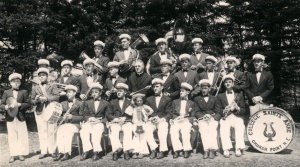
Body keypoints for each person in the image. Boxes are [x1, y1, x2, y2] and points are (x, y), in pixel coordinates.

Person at [0, 73, 31, 163]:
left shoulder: (24, 92)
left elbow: (28, 104)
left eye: (17, 81)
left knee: (22, 135)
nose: (16, 83)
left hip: (20, 116)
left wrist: (20, 104)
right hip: (10, 116)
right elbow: (1, 104)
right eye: (14, 82)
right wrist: (5, 107)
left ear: (20, 82)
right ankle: (13, 154)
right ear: (10, 83)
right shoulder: (6, 92)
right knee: (12, 136)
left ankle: (21, 153)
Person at [31, 68, 59, 160]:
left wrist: (46, 99)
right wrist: (37, 99)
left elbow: (57, 97)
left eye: (43, 75)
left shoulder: (53, 85)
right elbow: (31, 100)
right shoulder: (35, 87)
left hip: (51, 110)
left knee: (52, 130)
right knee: (42, 131)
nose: (41, 77)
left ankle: (52, 151)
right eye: (40, 75)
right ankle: (43, 151)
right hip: (40, 111)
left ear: (47, 76)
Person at [216, 75, 246, 158]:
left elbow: (244, 110)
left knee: (240, 124)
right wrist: (224, 111)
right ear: (224, 84)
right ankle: (226, 148)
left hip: (236, 116)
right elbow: (218, 110)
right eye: (226, 82)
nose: (228, 84)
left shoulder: (239, 95)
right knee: (224, 125)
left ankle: (238, 148)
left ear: (233, 84)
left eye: (229, 82)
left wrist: (237, 107)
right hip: (226, 117)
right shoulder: (220, 96)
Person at [79, 83, 109, 161]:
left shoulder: (106, 103)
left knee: (96, 131)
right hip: (90, 122)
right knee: (83, 131)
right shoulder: (87, 102)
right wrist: (89, 118)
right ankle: (87, 150)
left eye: (96, 92)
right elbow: (84, 114)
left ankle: (96, 152)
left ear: (100, 92)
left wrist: (100, 120)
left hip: (99, 122)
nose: (94, 94)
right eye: (92, 92)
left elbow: (108, 116)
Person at [54, 85, 83, 161]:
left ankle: (67, 152)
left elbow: (83, 117)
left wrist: (72, 117)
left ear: (74, 93)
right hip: (65, 124)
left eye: (69, 92)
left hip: (75, 124)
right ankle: (61, 152)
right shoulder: (63, 103)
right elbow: (58, 116)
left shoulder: (80, 103)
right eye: (67, 92)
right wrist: (62, 118)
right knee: (59, 130)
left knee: (67, 131)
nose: (67, 94)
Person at [145, 78, 172, 159]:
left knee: (163, 128)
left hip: (162, 120)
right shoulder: (149, 99)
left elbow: (169, 113)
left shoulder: (167, 99)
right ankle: (153, 149)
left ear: (162, 87)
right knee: (146, 127)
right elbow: (147, 111)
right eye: (154, 87)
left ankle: (162, 150)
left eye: (157, 86)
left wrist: (161, 119)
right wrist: (151, 117)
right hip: (152, 120)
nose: (155, 88)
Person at [170, 82, 199, 159]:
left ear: (188, 92)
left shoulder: (192, 103)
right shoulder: (175, 102)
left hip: (186, 121)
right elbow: (172, 113)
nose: (180, 92)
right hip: (177, 120)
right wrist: (176, 118)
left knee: (185, 131)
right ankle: (177, 150)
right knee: (173, 130)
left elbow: (193, 115)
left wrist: (186, 119)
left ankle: (186, 150)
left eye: (183, 91)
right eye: (180, 91)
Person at [193, 79, 220, 159]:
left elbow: (218, 111)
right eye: (202, 88)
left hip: (212, 118)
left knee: (212, 128)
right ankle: (206, 150)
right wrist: (203, 116)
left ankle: (212, 150)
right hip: (202, 119)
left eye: (205, 88)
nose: (204, 90)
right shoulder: (197, 99)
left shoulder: (215, 98)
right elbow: (196, 111)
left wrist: (212, 117)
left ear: (209, 89)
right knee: (204, 129)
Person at [106, 83, 133, 161]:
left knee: (128, 129)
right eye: (117, 91)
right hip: (116, 122)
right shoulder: (112, 101)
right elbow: (108, 114)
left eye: (121, 91)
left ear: (125, 92)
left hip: (126, 121)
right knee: (114, 130)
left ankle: (126, 151)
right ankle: (115, 151)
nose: (118, 93)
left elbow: (132, 113)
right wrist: (116, 119)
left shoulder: (130, 102)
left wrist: (125, 118)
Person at [125, 93, 154, 159]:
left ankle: (142, 152)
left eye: (140, 101)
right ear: (135, 101)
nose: (139, 102)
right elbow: (127, 111)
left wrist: (147, 113)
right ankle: (135, 151)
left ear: (142, 101)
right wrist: (132, 104)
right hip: (135, 124)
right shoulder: (133, 107)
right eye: (137, 101)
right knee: (136, 136)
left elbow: (151, 111)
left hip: (143, 123)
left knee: (143, 136)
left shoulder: (145, 107)